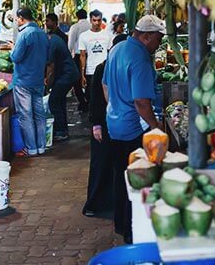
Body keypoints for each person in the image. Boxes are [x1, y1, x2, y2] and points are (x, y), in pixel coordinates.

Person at [103, 15, 166, 243]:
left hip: (114, 124)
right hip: (132, 129)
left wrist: (115, 108)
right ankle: (133, 231)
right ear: (146, 36)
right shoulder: (139, 58)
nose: (159, 44)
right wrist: (155, 126)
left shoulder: (118, 48)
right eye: (158, 39)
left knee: (121, 178)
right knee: (138, 181)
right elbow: (141, 102)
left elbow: (105, 86)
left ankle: (121, 224)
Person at [82, 33, 128, 218]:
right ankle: (93, 205)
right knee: (100, 165)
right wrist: (96, 124)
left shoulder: (121, 67)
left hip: (117, 124)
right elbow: (95, 100)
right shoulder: (103, 68)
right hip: (103, 123)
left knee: (113, 165)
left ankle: (111, 204)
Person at [11, 9, 50, 157]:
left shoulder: (24, 34)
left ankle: (31, 148)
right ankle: (41, 147)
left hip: (23, 81)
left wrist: (12, 48)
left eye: (16, 19)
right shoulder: (42, 34)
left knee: (26, 115)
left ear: (21, 18)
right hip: (38, 80)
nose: (16, 21)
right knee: (39, 115)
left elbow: (16, 57)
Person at [46, 26, 79, 143]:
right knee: (59, 102)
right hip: (69, 74)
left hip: (67, 76)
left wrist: (47, 85)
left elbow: (51, 67)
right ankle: (63, 130)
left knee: (53, 102)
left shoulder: (52, 43)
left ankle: (60, 131)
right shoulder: (55, 38)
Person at [79, 10, 111, 108]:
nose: (96, 23)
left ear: (101, 20)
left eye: (99, 20)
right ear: (90, 20)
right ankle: (94, 119)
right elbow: (82, 55)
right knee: (92, 97)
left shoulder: (107, 35)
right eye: (94, 20)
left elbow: (110, 53)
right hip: (91, 71)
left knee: (105, 96)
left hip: (105, 70)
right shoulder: (84, 36)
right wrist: (82, 74)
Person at [68, 9, 90, 112]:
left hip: (78, 56)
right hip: (90, 56)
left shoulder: (75, 27)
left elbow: (70, 44)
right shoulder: (91, 26)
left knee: (76, 81)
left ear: (77, 17)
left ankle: (82, 102)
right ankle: (90, 101)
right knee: (89, 79)